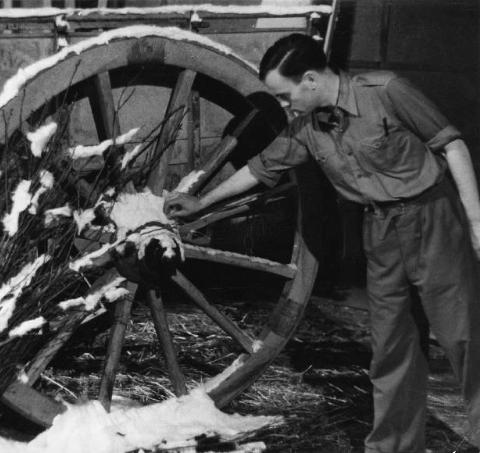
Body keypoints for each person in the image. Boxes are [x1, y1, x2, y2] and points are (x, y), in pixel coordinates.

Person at [164, 33, 480, 453]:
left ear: (310, 80)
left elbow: (451, 144)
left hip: (432, 218)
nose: (282, 105)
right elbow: (261, 170)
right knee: (391, 350)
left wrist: (476, 220)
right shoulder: (305, 128)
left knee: (464, 339)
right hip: (380, 232)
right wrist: (201, 201)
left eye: (283, 95)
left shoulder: (387, 91)